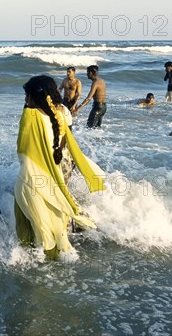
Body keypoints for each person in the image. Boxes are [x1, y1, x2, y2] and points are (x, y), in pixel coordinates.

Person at [14, 75, 106, 258]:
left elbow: (22, 148)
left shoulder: (30, 116)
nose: (25, 100)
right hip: (54, 172)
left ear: (36, 97)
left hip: (30, 178)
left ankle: (35, 260)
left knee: (33, 225)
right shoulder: (62, 113)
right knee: (56, 213)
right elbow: (63, 142)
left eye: (27, 96)